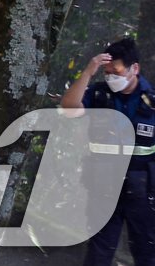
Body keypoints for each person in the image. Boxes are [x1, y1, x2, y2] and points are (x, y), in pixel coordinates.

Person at [60, 37, 155, 266]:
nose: (111, 76)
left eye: (117, 71)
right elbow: (69, 108)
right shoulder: (98, 94)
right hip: (103, 187)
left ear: (135, 68)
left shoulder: (151, 101)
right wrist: (88, 73)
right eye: (107, 72)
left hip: (142, 191)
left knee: (146, 251)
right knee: (99, 252)